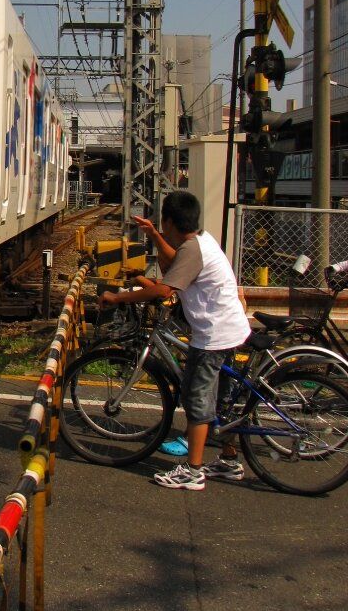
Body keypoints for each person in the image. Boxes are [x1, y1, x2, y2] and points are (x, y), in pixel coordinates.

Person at [98, 190, 251, 491]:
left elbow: (163, 289)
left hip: (213, 336)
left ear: (171, 221)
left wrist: (118, 297)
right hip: (228, 330)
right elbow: (175, 264)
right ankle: (229, 460)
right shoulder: (199, 243)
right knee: (221, 400)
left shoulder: (193, 250)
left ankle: (193, 471)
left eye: (162, 222)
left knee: (197, 400)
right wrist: (154, 235)